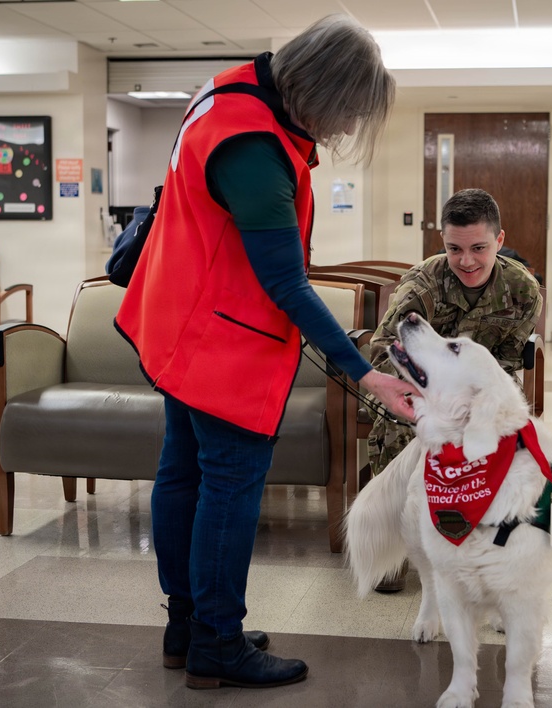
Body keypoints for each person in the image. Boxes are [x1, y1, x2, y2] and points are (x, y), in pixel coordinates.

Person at [114, 15, 417, 691]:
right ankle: (217, 643)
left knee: (183, 472)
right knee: (227, 487)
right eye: (347, 112)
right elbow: (286, 285)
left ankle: (187, 625)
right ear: (321, 91)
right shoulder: (254, 149)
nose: (343, 130)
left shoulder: (229, 92)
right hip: (220, 344)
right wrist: (367, 374)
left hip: (179, 322)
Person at [364, 188, 542, 590]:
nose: (466, 261)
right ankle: (399, 545)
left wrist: (477, 407)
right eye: (454, 248)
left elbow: (508, 364)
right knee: (400, 425)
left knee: (506, 433)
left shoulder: (522, 291)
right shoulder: (422, 285)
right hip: (418, 391)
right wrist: (432, 403)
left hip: (478, 392)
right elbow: (382, 354)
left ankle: (491, 531)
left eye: (479, 247)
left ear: (499, 240)